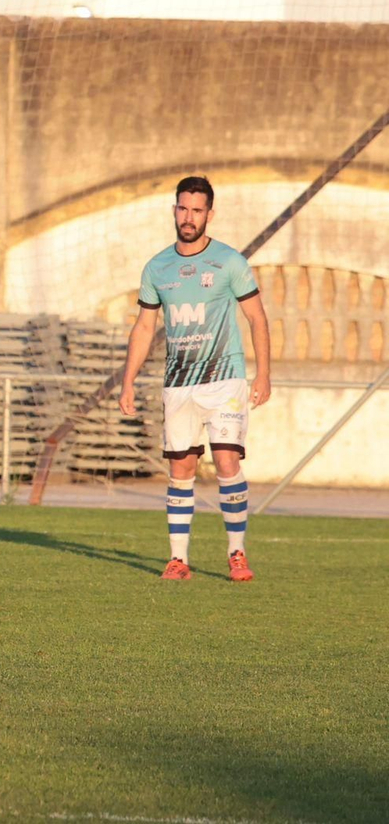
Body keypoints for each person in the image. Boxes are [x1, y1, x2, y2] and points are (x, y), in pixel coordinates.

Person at [119, 175, 271, 582]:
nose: (189, 217)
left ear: (209, 215)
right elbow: (144, 327)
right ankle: (178, 560)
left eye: (197, 210)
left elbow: (257, 318)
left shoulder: (230, 262)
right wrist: (128, 380)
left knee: (226, 461)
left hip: (225, 380)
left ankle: (236, 552)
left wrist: (264, 374)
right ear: (175, 211)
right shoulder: (157, 267)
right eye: (183, 209)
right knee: (181, 468)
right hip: (179, 383)